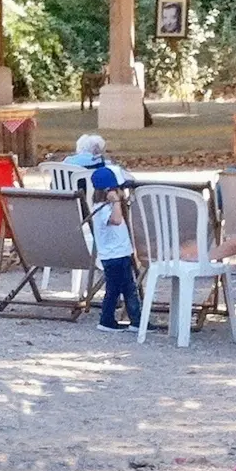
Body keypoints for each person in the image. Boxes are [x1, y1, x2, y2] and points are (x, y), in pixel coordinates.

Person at [91, 167, 142, 333]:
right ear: (110, 191)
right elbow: (117, 220)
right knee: (113, 290)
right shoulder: (103, 208)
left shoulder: (107, 206)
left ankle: (137, 320)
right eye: (120, 189)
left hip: (121, 253)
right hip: (113, 256)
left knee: (129, 288)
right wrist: (116, 202)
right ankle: (106, 320)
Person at [64, 134, 133, 183]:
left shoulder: (67, 160)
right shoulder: (99, 161)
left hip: (69, 197)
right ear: (96, 149)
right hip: (93, 195)